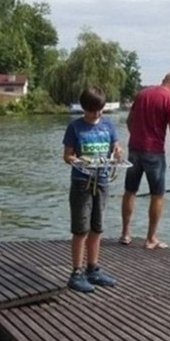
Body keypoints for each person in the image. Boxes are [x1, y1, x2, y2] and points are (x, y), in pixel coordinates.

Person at [63, 86, 122, 293]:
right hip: (82, 182)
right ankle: (76, 272)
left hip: (103, 181)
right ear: (84, 109)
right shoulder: (75, 127)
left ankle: (93, 268)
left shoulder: (108, 125)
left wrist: (118, 151)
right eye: (92, 111)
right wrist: (79, 160)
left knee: (97, 227)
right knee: (81, 229)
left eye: (99, 110)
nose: (96, 114)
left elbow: (116, 147)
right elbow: (67, 156)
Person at [120, 72, 170, 249]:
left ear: (163, 81)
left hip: (134, 149)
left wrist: (137, 137)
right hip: (154, 152)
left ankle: (125, 233)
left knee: (130, 191)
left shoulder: (142, 94)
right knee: (157, 195)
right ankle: (150, 238)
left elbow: (129, 121)